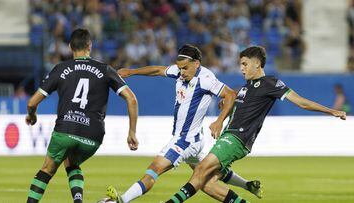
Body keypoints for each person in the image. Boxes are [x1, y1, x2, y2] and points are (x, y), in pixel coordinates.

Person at [165, 46, 347, 203]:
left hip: (237, 138)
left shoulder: (271, 83)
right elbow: (236, 105)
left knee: (201, 170)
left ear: (257, 63)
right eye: (240, 65)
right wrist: (223, 113)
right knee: (207, 183)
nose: (241, 69)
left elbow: (301, 102)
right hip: (229, 136)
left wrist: (331, 111)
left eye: (244, 64)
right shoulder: (245, 88)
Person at [103, 44, 262, 203]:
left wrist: (219, 121)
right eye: (179, 68)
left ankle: (121, 200)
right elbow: (158, 70)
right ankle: (247, 186)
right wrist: (132, 72)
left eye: (185, 68)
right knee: (206, 183)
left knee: (154, 169)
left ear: (197, 64)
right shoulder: (180, 71)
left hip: (185, 140)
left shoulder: (206, 79)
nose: (181, 72)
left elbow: (231, 95)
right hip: (195, 140)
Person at [25, 28, 139, 203]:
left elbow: (32, 102)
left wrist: (32, 116)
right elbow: (131, 99)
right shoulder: (106, 70)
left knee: (47, 169)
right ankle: (78, 200)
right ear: (90, 46)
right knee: (71, 162)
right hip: (93, 135)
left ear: (70, 47)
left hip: (65, 129)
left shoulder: (60, 68)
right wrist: (132, 132)